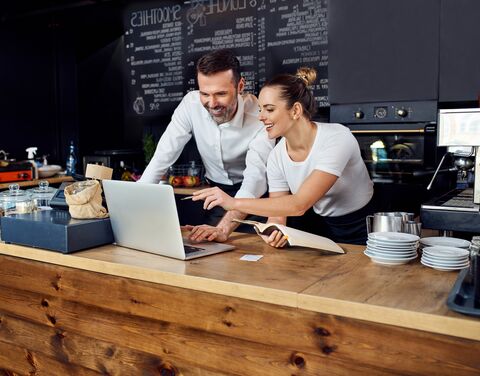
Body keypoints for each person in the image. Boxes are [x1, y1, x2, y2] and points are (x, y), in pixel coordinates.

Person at [191, 67, 374, 245]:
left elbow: (299, 204)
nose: (261, 117)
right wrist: (274, 230)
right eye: (260, 109)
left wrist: (233, 203)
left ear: (295, 111)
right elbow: (278, 212)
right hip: (319, 227)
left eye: (269, 109)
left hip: (362, 227)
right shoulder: (276, 157)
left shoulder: (337, 138)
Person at [139, 49, 274, 240]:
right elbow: (163, 155)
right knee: (209, 252)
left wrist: (224, 229)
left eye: (220, 94)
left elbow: (255, 180)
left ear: (240, 86)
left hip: (257, 197)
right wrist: (136, 202)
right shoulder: (190, 105)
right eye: (205, 93)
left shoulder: (259, 117)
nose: (212, 103)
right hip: (216, 194)